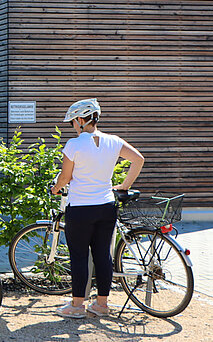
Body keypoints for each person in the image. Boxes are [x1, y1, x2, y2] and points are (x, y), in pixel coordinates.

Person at [50, 98, 145, 318]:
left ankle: (76, 306)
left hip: (81, 209)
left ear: (82, 120)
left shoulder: (73, 145)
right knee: (103, 255)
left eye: (73, 121)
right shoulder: (114, 141)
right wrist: (124, 185)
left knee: (79, 256)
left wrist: (56, 189)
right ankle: (101, 305)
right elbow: (138, 159)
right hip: (106, 206)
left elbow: (65, 177)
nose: (73, 125)